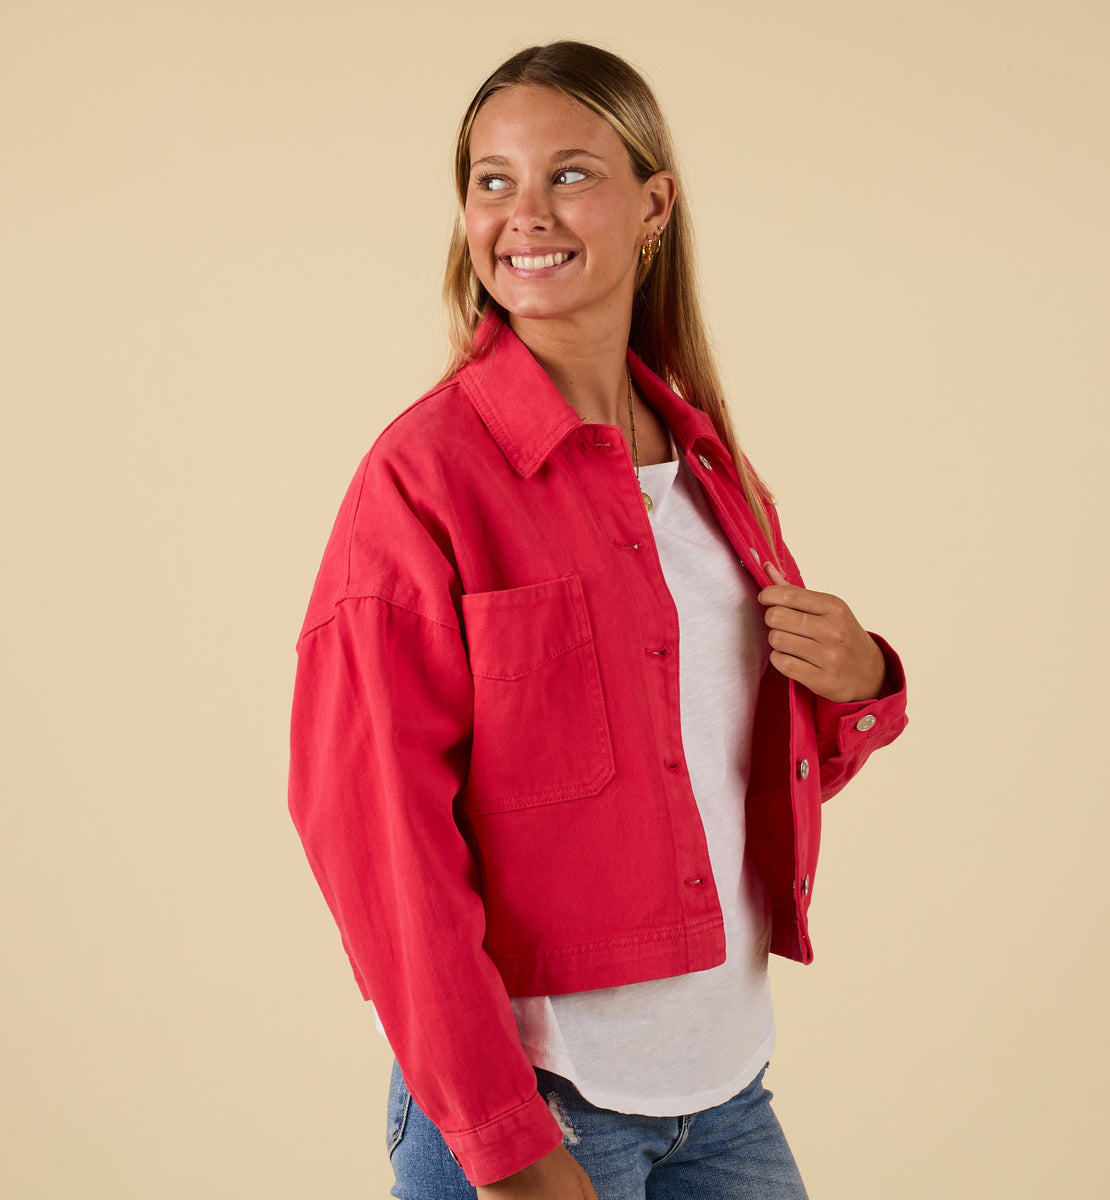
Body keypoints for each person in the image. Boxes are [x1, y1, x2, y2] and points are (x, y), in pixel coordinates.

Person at [289, 41, 907, 1200]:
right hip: (541, 1108)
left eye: (569, 174)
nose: (525, 214)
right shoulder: (423, 481)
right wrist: (508, 1147)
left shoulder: (712, 464)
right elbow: (380, 843)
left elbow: (705, 780)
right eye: (492, 180)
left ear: (652, 205)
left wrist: (864, 682)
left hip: (725, 1094)